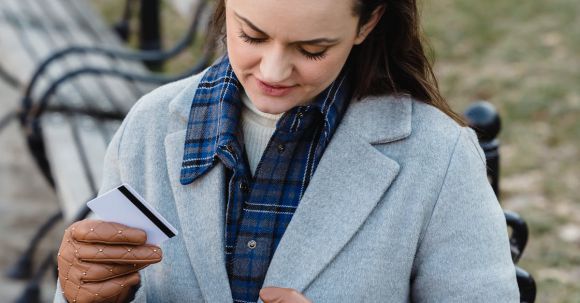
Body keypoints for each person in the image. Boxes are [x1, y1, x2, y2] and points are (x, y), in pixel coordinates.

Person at [54, 0, 519, 302]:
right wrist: (79, 293)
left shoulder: (438, 154)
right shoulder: (148, 126)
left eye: (312, 49)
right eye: (251, 36)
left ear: (368, 22)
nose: (273, 72)